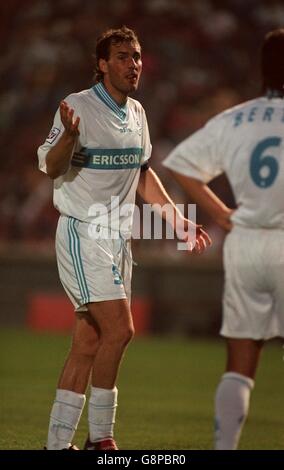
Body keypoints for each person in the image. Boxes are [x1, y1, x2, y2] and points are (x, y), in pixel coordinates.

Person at [37, 26, 211, 451]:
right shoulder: (76, 107)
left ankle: (57, 445)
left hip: (118, 238)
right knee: (121, 330)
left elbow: (143, 173)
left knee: (90, 340)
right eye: (122, 56)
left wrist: (176, 220)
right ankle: (102, 440)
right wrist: (71, 138)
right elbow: (50, 167)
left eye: (136, 56)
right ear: (101, 64)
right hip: (83, 230)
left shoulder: (137, 112)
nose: (133, 64)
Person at [163, 28, 284, 450]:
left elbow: (181, 166)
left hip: (247, 242)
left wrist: (220, 214)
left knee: (241, 361)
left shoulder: (236, 118)